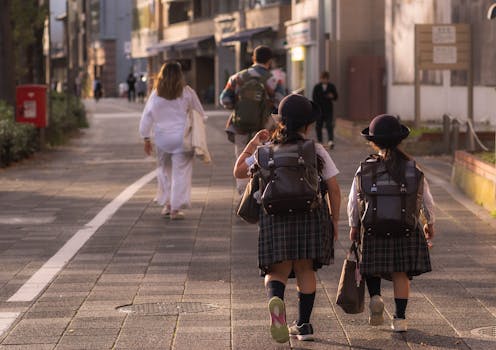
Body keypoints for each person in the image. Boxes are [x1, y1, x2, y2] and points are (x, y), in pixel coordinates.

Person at [233, 94, 341, 343]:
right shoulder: (315, 150)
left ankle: (276, 302)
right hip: (311, 216)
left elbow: (238, 171)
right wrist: (334, 220)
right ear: (308, 125)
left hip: (275, 216)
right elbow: (334, 189)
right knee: (305, 269)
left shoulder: (265, 152)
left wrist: (252, 142)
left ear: (279, 123)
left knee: (277, 271)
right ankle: (303, 325)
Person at [347, 114, 435, 332]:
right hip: (405, 227)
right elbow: (426, 198)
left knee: (372, 268)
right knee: (401, 274)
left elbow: (353, 200)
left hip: (374, 227)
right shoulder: (412, 167)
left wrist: (354, 226)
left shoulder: (365, 168)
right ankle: (400, 318)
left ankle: (376, 296)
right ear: (399, 140)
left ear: (373, 142)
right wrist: (429, 221)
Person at [139, 61, 207, 220]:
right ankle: (175, 209)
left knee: (164, 172)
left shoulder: (156, 94)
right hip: (182, 139)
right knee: (181, 174)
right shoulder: (187, 92)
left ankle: (167, 204)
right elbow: (201, 114)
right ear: (180, 75)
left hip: (162, 139)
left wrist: (146, 138)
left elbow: (146, 117)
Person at [221, 45, 285, 195]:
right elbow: (280, 102)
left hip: (240, 126)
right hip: (265, 128)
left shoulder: (237, 78)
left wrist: (242, 106)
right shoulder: (274, 80)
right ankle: (261, 192)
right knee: (265, 158)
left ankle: (244, 194)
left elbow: (224, 99)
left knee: (242, 158)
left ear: (253, 58)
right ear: (269, 61)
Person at [312, 71, 338, 149]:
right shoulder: (317, 87)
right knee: (318, 126)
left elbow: (336, 97)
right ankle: (320, 141)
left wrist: (332, 96)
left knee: (329, 125)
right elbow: (314, 98)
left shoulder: (331, 86)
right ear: (321, 79)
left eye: (326, 79)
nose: (324, 80)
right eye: (323, 79)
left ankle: (331, 141)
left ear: (328, 79)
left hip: (328, 110)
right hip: (319, 110)